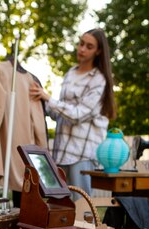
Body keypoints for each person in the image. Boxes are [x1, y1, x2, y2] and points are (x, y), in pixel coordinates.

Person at [30, 28, 117, 199]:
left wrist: (48, 99)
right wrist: (40, 103)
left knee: (81, 206)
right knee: (59, 206)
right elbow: (60, 114)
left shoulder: (99, 80)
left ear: (98, 51)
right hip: (61, 151)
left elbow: (78, 115)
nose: (82, 49)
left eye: (89, 46)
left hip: (82, 154)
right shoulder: (70, 73)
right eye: (81, 43)